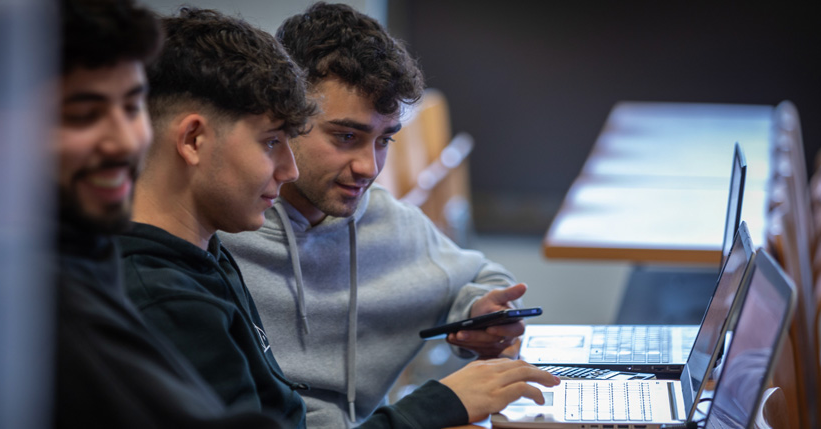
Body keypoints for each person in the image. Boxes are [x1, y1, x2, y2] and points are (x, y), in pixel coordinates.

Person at [118, 6, 559, 429]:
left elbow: (479, 275)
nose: (369, 168)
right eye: (345, 136)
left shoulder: (209, 246)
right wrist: (440, 402)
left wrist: (477, 312)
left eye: (385, 141)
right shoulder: (202, 248)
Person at [53, 0, 277, 427]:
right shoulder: (47, 298)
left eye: (133, 107)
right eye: (84, 115)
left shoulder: (92, 253)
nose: (124, 142)